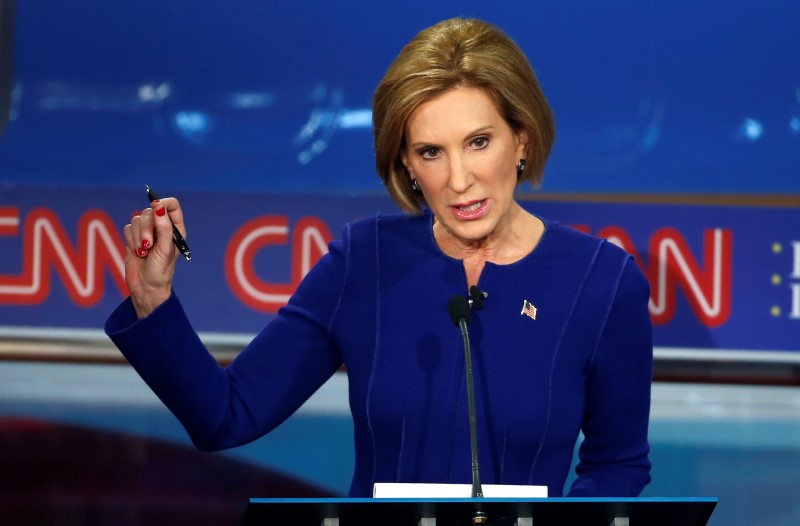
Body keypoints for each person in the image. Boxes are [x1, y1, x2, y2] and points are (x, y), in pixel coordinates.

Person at [106, 17, 652, 498]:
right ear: (408, 166)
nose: (459, 180)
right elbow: (227, 416)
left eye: (479, 142)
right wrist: (152, 298)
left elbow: (617, 464)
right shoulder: (363, 260)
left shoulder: (601, 282)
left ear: (523, 140)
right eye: (431, 152)